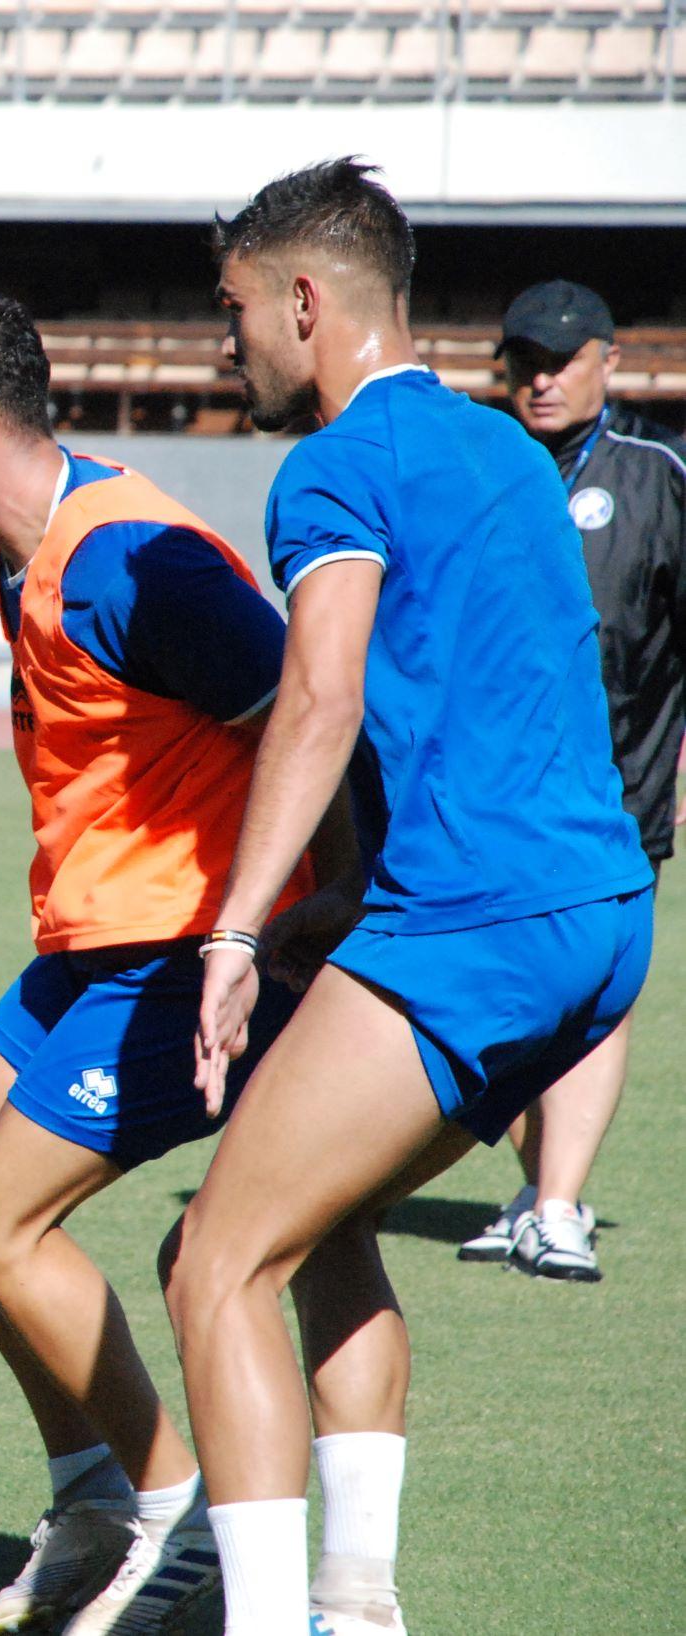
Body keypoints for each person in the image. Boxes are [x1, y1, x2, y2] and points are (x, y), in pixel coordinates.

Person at [166, 160, 654, 1636]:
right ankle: (356, 1604)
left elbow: (317, 696)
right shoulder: (511, 450)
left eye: (237, 310)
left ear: (307, 304)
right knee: (317, 1227)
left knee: (215, 1258)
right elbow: (501, 698)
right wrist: (342, 907)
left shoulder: (329, 468)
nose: (226, 343)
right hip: (605, 922)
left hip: (476, 927)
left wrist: (243, 926)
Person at [0, 289, 357, 1636]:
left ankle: (179, 1509)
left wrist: (322, 909)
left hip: (187, 951)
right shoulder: (21, 540)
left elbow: (319, 718)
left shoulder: (131, 558)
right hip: (96, 939)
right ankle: (92, 1495)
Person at [453, 279, 686, 1281]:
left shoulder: (655, 472)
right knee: (488, 995)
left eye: (558, 358)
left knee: (590, 992)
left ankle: (554, 1208)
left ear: (608, 361)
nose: (538, 377)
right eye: (522, 359)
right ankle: (542, 1181)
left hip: (616, 788)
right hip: (483, 788)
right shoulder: (477, 465)